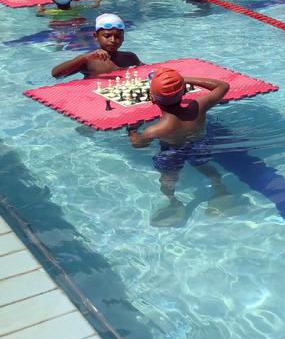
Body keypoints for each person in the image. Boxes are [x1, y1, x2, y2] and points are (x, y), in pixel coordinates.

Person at [126, 69, 232, 227]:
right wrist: (184, 79)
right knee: (205, 166)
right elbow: (223, 86)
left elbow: (138, 144)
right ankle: (219, 188)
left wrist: (132, 130)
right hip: (199, 144)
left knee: (168, 178)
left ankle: (172, 201)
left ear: (152, 99)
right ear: (183, 91)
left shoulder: (155, 130)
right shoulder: (198, 107)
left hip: (171, 153)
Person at [51, 13, 142, 78]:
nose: (113, 40)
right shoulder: (89, 60)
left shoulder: (130, 57)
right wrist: (85, 58)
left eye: (118, 36)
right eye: (107, 36)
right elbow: (56, 74)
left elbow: (148, 70)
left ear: (123, 38)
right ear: (95, 36)